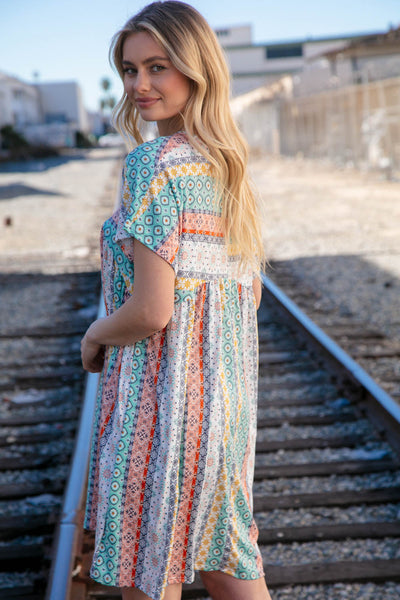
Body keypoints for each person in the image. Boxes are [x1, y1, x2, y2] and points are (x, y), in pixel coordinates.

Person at [81, 2, 271, 599]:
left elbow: (151, 311)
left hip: (158, 418)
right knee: (228, 564)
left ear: (197, 70)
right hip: (224, 416)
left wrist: (94, 334)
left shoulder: (153, 166)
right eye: (130, 70)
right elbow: (248, 298)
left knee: (147, 571)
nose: (140, 85)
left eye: (157, 67)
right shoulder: (227, 170)